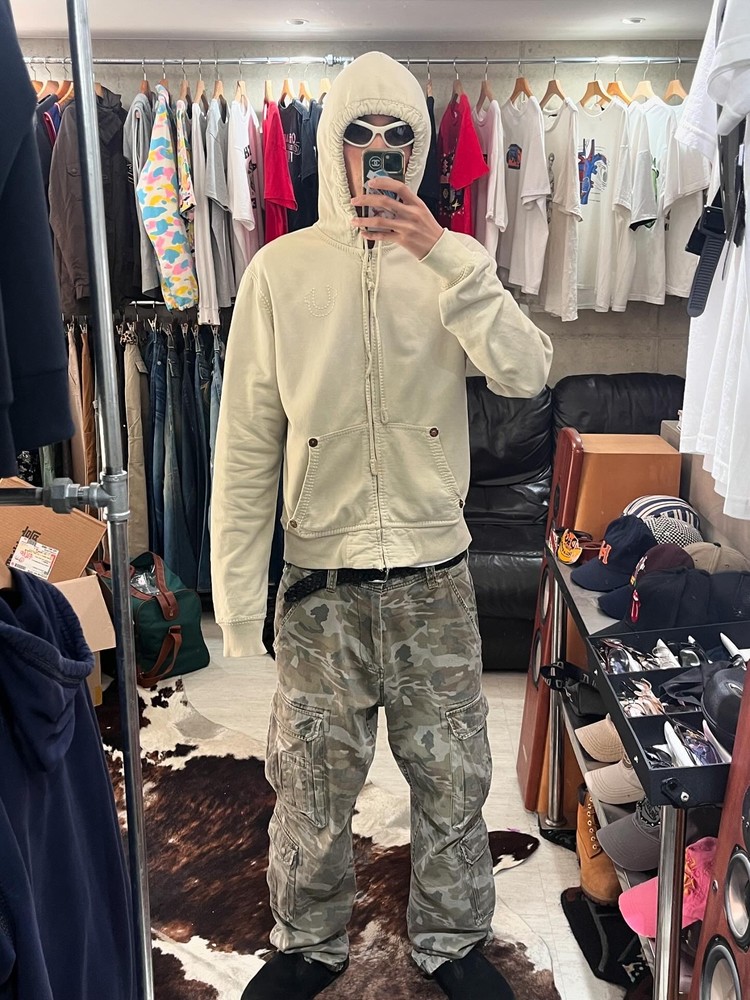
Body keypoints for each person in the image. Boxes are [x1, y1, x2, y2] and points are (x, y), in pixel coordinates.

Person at [211, 51, 553, 1000]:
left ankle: (453, 939)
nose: (376, 150)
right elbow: (246, 442)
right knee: (311, 786)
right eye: (357, 133)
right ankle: (307, 942)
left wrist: (448, 256)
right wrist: (238, 602)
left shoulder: (450, 262)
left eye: (396, 134)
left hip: (433, 577)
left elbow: (527, 371)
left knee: (453, 779)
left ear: (422, 146)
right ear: (329, 145)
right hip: (320, 588)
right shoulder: (279, 271)